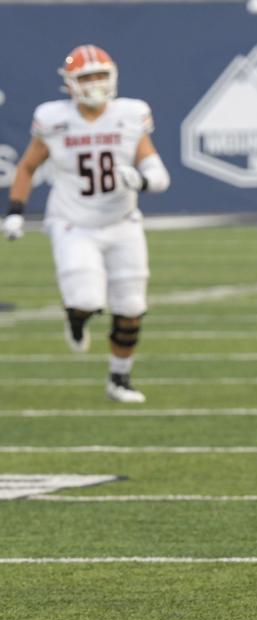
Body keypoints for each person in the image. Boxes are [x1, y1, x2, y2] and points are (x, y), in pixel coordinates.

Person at [2, 45, 170, 403]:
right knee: (86, 298)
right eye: (86, 77)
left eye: (99, 75)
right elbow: (28, 166)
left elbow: (157, 172)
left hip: (123, 222)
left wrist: (140, 180)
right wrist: (15, 210)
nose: (94, 83)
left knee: (131, 307)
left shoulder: (130, 114)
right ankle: (76, 317)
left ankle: (119, 379)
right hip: (73, 222)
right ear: (70, 84)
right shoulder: (53, 118)